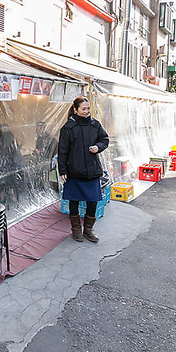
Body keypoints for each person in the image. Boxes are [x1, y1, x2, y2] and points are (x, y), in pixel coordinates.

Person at [58, 96, 109, 243]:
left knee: (92, 201)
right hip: (74, 170)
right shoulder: (68, 127)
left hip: (92, 170)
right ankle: (76, 230)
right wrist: (63, 171)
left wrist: (98, 147)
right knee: (74, 201)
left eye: (88, 109)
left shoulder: (95, 125)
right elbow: (62, 151)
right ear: (75, 110)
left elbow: (104, 139)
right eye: (83, 109)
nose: (87, 111)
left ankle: (89, 229)